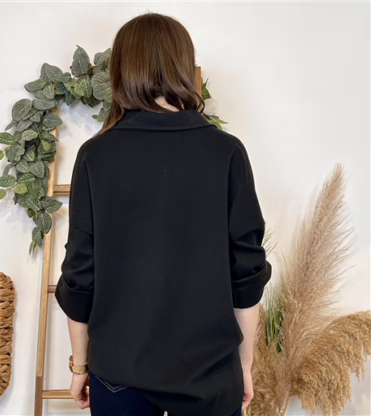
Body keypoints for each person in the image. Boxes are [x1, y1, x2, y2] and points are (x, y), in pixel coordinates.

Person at [55, 11, 272, 416]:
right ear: (183, 66)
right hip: (211, 374)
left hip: (118, 371)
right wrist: (244, 365)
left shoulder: (96, 155)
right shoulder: (225, 152)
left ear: (122, 69)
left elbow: (80, 274)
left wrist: (80, 366)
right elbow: (246, 271)